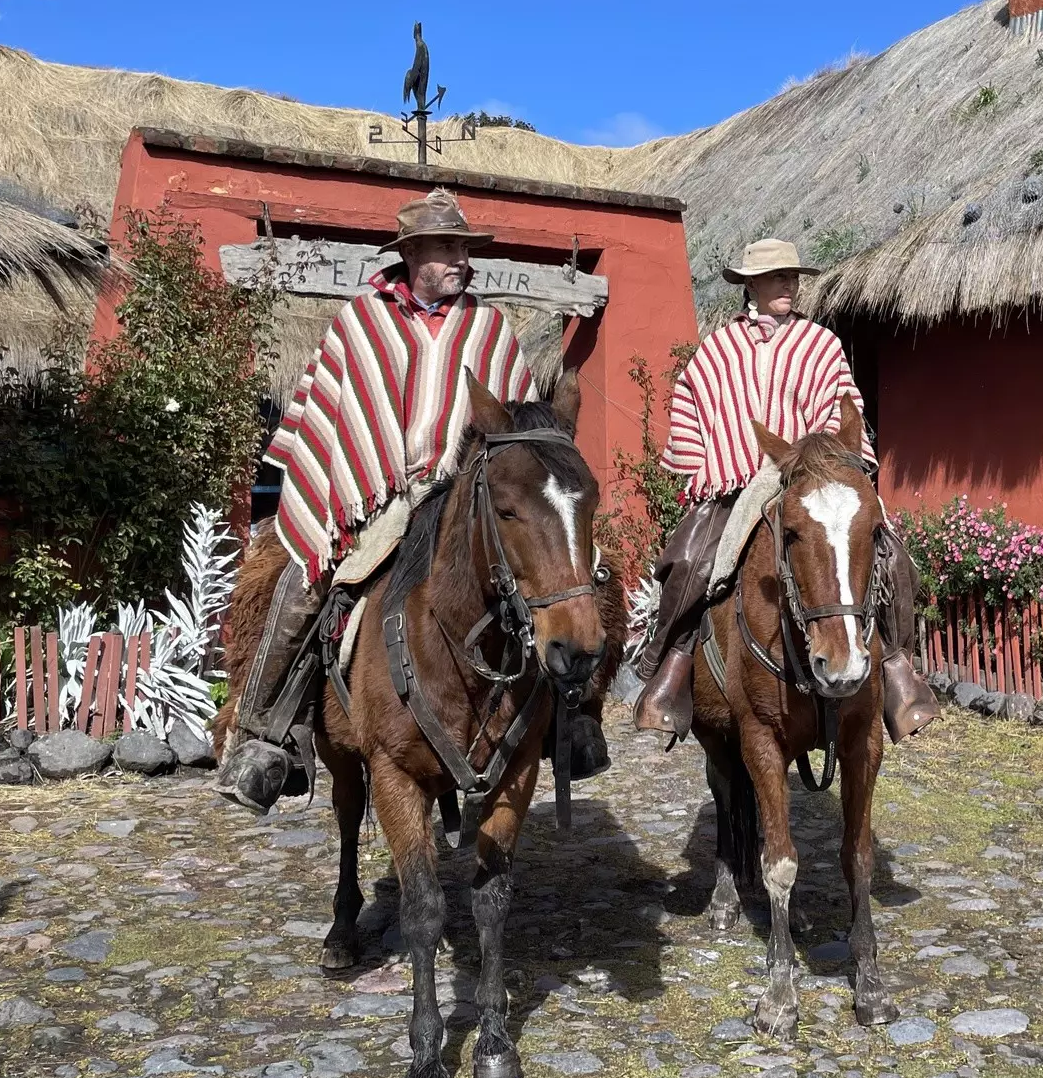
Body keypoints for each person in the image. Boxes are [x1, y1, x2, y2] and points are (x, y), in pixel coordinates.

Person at [215, 188, 609, 811]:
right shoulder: (361, 321)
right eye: (447, 248)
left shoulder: (489, 328)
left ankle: (573, 718)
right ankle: (266, 737)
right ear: (412, 253)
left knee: (571, 568)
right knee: (306, 582)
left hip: (468, 499)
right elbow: (332, 411)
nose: (460, 260)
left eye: (463, 248)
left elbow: (519, 434)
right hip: (382, 499)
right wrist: (370, 486)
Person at [631, 237, 940, 743]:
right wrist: (708, 467)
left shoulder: (820, 344)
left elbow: (841, 407)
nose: (788, 284)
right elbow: (690, 401)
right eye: (777, 276)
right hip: (737, 487)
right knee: (689, 561)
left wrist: (821, 461)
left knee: (890, 556)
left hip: (810, 483)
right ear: (750, 284)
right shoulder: (718, 350)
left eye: (792, 276)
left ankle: (899, 669)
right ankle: (669, 668)